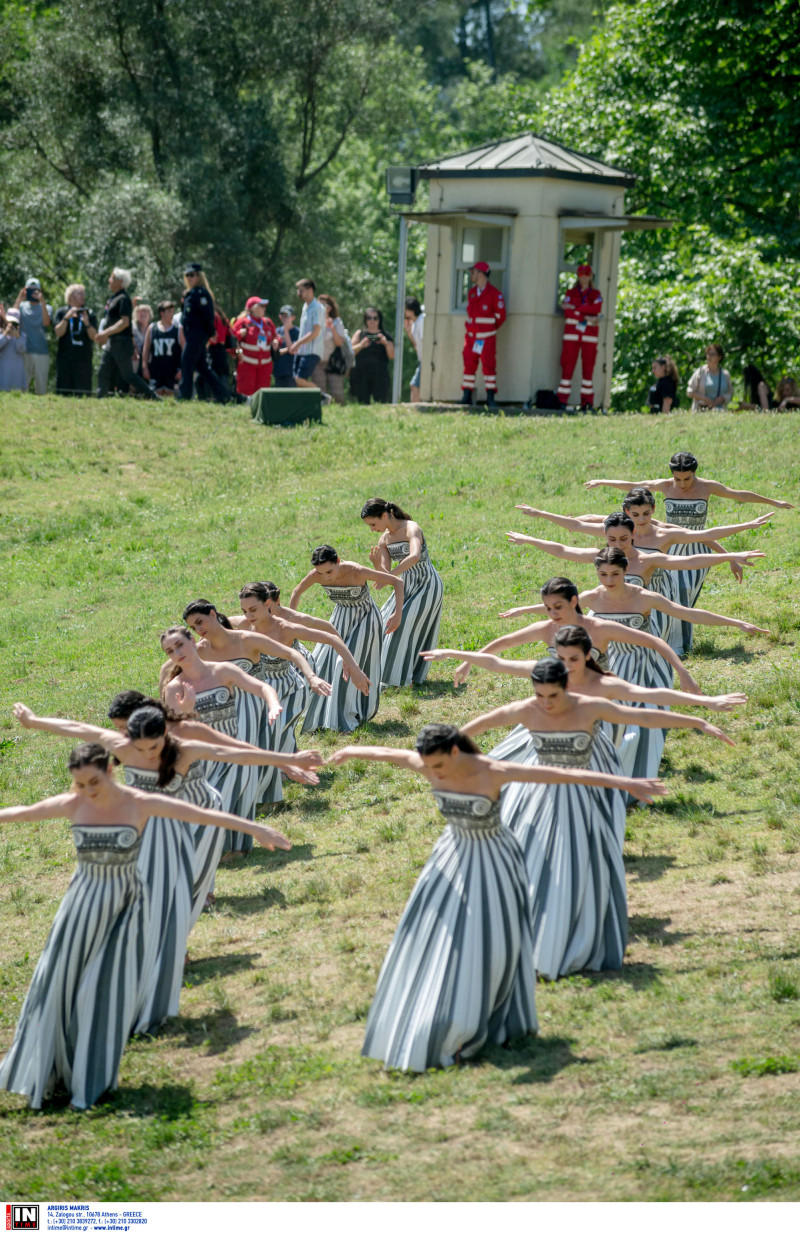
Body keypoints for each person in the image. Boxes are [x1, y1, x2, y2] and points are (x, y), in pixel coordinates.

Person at [327, 724, 663, 1070]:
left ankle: (485, 1015)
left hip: (493, 861)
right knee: (437, 935)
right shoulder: (427, 763)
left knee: (486, 939)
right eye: (428, 767)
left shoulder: (492, 771)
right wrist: (350, 751)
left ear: (456, 752)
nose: (432, 774)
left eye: (438, 767)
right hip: (451, 858)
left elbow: (557, 773)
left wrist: (626, 783)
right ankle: (439, 1011)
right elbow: (386, 753)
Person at [0, 742, 289, 1110]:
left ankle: (90, 1078)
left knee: (101, 991)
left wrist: (254, 828)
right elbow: (21, 813)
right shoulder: (74, 804)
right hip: (80, 908)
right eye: (80, 785)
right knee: (56, 985)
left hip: (125, 909)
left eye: (93, 782)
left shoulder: (139, 802)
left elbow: (199, 815)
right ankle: (45, 1068)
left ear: (109, 769)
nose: (88, 791)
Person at [12, 703, 317, 1034]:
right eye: (140, 748)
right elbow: (75, 727)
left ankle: (156, 978)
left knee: (171, 903)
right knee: (132, 909)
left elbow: (236, 755)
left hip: (172, 835)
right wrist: (34, 720)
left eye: (154, 747)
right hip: (133, 835)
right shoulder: (121, 746)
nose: (148, 754)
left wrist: (290, 760)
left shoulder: (185, 750)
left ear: (166, 734)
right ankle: (115, 984)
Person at [459, 660, 725, 978]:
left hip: (582, 799)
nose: (545, 703)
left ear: (566, 687)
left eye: (553, 695)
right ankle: (526, 938)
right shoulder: (526, 710)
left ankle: (573, 939)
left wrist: (697, 719)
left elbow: (642, 715)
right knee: (531, 865)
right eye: (539, 694)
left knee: (580, 866)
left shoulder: (589, 707)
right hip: (537, 799)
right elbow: (469, 731)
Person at [584, 451, 794, 652]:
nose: (683, 484)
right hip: (668, 547)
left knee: (685, 594)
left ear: (695, 473)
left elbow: (737, 496)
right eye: (678, 479)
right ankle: (669, 643)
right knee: (669, 595)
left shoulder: (707, 487)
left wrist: (773, 502)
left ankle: (680, 644)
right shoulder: (664, 486)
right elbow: (634, 486)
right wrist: (603, 481)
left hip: (699, 545)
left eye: (688, 479)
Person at [515, 495, 775, 649]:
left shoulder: (647, 559)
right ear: (605, 536)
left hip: (639, 619)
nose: (617, 545)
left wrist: (731, 554)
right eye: (612, 540)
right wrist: (530, 538)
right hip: (605, 622)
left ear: (633, 536)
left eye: (623, 540)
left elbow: (691, 561)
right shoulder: (598, 566)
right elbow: (562, 549)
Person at [181, 598, 330, 813]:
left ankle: (267, 801)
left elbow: (291, 653)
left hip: (257, 703)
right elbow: (174, 670)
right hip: (225, 707)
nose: (198, 630)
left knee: (261, 750)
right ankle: (235, 804)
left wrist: (312, 677)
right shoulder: (201, 651)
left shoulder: (247, 639)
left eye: (200, 622)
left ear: (213, 614)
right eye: (193, 627)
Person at [236, 581, 370, 761]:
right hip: (262, 686)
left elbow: (331, 638)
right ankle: (290, 757)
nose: (248, 615)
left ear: (267, 604)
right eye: (244, 611)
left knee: (276, 729)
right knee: (260, 732)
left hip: (290, 687)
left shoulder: (285, 628)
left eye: (253, 609)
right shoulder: (243, 625)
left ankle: (287, 762)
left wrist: (354, 668)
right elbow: (215, 629)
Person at [290, 544, 403, 732]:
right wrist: (290, 625)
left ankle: (347, 716)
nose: (326, 577)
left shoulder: (355, 571)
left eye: (329, 571)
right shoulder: (316, 575)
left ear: (338, 561)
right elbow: (296, 592)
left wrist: (397, 614)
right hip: (339, 619)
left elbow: (398, 583)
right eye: (320, 573)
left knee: (345, 664)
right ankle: (324, 713)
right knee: (320, 660)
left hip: (365, 618)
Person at [360, 497, 444, 686]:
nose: (372, 529)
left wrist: (391, 574)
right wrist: (376, 566)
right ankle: (385, 674)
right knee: (382, 623)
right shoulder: (384, 540)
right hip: (404, 586)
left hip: (427, 584)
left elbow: (414, 556)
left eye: (373, 524)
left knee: (402, 624)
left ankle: (397, 679)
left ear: (384, 515)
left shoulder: (411, 527)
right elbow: (385, 576)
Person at [96, 269, 159, 400]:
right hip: (112, 343)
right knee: (103, 371)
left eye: (112, 278)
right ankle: (100, 398)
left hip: (121, 343)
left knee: (128, 375)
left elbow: (124, 322)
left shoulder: (123, 299)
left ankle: (153, 396)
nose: (109, 280)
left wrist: (105, 333)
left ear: (119, 281)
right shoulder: (115, 298)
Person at [177, 262, 228, 403]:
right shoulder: (188, 294)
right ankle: (224, 394)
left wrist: (210, 333)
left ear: (199, 276)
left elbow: (208, 316)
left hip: (198, 333)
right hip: (191, 334)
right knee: (202, 367)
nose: (189, 278)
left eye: (192, 275)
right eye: (186, 275)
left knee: (186, 362)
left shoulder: (202, 294)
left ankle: (184, 396)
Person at [459, 261, 506, 408]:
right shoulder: (472, 293)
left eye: (473, 272)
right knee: (469, 365)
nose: (471, 275)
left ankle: (490, 397)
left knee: (489, 366)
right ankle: (466, 395)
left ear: (481, 273)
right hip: (472, 338)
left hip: (486, 338)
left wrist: (488, 330)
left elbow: (501, 317)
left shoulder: (494, 294)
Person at [557, 263, 602, 410]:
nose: (584, 278)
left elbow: (597, 308)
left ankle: (587, 403)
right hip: (572, 336)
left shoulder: (596, 294)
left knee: (588, 371)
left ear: (591, 276)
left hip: (589, 337)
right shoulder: (570, 293)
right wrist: (588, 317)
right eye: (581, 275)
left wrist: (576, 309)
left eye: (587, 275)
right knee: (567, 367)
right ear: (578, 276)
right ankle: (562, 400)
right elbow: (567, 312)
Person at [53, 284, 98, 397]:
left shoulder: (90, 314)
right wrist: (66, 318)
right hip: (65, 360)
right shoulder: (62, 312)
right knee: (64, 393)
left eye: (83, 293)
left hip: (83, 361)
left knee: (83, 394)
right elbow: (58, 333)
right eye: (80, 293)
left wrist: (87, 324)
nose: (83, 296)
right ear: (71, 296)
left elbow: (95, 336)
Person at [230, 297, 278, 400]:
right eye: (261, 306)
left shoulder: (268, 322)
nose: (264, 309)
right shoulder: (242, 322)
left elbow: (275, 336)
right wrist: (239, 351)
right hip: (247, 364)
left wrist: (276, 341)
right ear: (252, 308)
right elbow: (231, 342)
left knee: (262, 395)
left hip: (265, 364)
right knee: (246, 392)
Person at [13, 277, 52, 394]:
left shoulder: (47, 307)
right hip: (24, 351)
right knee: (21, 388)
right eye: (30, 290)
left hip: (41, 352)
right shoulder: (21, 307)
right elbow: (12, 318)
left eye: (36, 290)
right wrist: (19, 299)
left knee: (41, 388)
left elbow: (46, 323)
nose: (33, 293)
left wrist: (42, 302)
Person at [288, 278, 327, 391]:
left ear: (310, 290)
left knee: (300, 379)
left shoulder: (318, 307)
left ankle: (322, 396)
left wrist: (297, 343)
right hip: (302, 351)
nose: (298, 293)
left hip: (312, 350)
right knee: (297, 380)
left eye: (301, 290)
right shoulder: (305, 307)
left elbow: (315, 332)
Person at [309, 293, 349, 404]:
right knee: (320, 392)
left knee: (337, 393)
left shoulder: (337, 322)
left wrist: (332, 328)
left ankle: (341, 413)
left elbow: (339, 343)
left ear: (329, 308)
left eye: (323, 306)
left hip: (333, 362)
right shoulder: (313, 321)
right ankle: (323, 412)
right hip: (317, 361)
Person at [350, 308, 394, 405]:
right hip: (362, 374)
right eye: (369, 318)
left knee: (381, 402)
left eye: (375, 318)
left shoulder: (385, 335)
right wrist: (361, 345)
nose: (372, 321)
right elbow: (349, 352)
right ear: (365, 320)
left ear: (379, 320)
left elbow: (391, 356)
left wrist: (385, 343)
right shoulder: (360, 334)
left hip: (380, 375)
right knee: (362, 403)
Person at [141, 301, 182, 395]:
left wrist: (182, 369)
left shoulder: (178, 329)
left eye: (172, 311)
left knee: (170, 394)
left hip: (172, 371)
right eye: (169, 311)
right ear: (161, 313)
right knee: (155, 395)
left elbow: (184, 350)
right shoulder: (152, 328)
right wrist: (145, 367)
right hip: (156, 370)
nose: (172, 314)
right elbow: (146, 349)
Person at [687, 344, 732, 411]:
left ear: (719, 357)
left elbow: (730, 393)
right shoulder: (700, 372)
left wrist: (723, 398)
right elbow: (689, 392)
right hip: (700, 411)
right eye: (708, 354)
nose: (709, 357)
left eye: (712, 354)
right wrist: (705, 399)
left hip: (720, 413)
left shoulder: (725, 374)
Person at [0, 307, 27, 391]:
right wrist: (5, 334)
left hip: (17, 372)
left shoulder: (22, 336)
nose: (11, 326)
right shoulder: (1, 333)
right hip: (3, 372)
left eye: (14, 324)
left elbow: (22, 350)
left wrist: (17, 337)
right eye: (9, 323)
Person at [404, 296, 424, 403]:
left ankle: (416, 410)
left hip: (425, 361)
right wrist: (409, 332)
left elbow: (425, 343)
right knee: (414, 385)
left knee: (414, 385)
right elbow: (417, 346)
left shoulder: (422, 321)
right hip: (422, 360)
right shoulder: (415, 323)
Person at [273, 305, 298, 388]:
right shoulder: (277, 331)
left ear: (293, 317)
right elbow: (273, 352)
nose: (284, 318)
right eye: (282, 316)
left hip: (292, 372)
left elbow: (292, 350)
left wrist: (286, 330)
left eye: (287, 315)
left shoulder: (297, 332)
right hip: (278, 372)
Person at [131, 303, 153, 374]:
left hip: (148, 358)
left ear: (149, 314)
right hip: (135, 357)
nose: (143, 314)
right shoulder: (132, 327)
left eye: (145, 311)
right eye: (140, 312)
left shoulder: (152, 328)